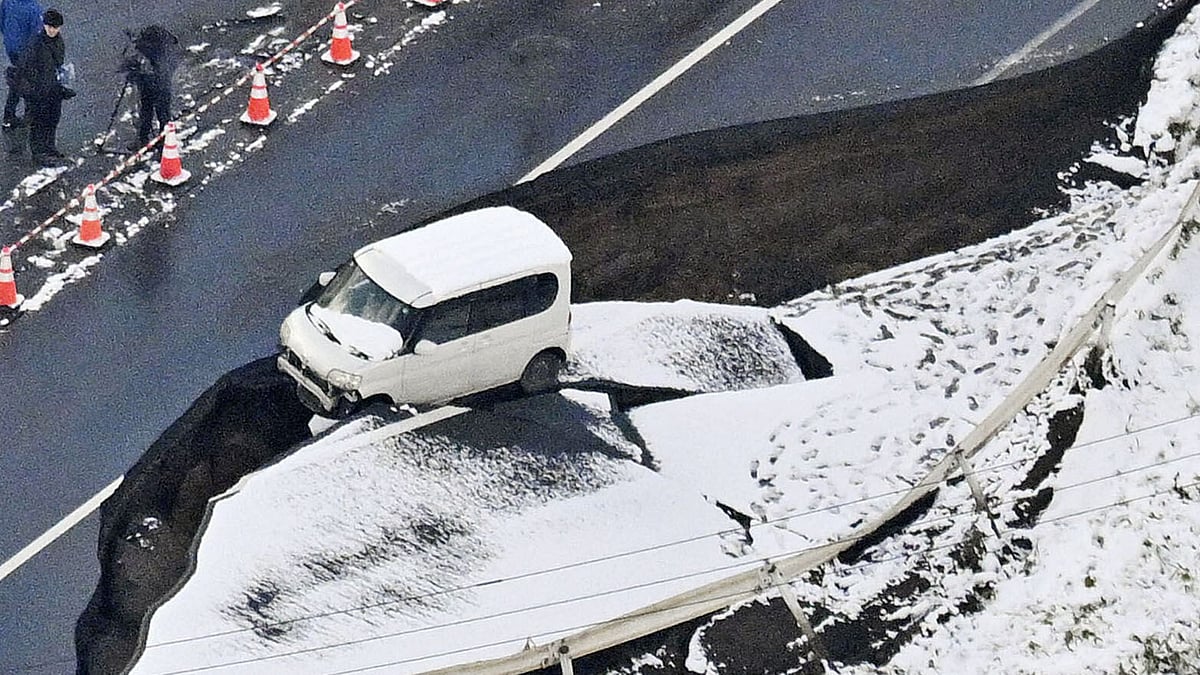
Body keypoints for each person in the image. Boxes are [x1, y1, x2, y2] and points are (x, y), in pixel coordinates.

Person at [14, 8, 70, 165]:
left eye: (55, 27)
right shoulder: (36, 43)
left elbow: (58, 64)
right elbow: (25, 67)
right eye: (49, 26)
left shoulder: (59, 41)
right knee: (38, 121)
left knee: (53, 118)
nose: (52, 30)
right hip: (38, 91)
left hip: (53, 88)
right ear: (44, 25)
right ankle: (38, 152)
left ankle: (50, 146)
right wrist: (33, 88)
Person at [121, 24, 179, 149]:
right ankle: (153, 139)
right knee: (152, 113)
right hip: (154, 84)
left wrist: (134, 72)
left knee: (156, 113)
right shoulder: (164, 49)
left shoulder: (153, 50)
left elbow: (146, 65)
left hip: (157, 84)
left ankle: (158, 141)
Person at [0, 0, 42, 127]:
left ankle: (9, 115)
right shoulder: (34, 9)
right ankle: (29, 116)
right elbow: (37, 36)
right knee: (29, 82)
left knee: (19, 78)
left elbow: (1, 22)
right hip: (26, 52)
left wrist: (10, 38)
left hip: (11, 48)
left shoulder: (7, 2)